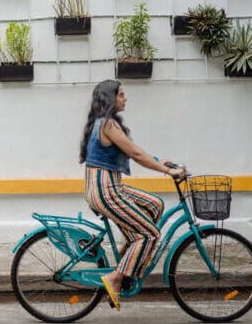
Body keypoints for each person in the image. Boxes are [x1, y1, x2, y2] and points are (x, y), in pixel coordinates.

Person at [79, 80, 184, 311]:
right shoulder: (107, 124)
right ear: (110, 98)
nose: (125, 98)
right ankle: (116, 278)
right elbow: (134, 153)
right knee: (150, 235)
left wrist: (157, 162)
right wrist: (168, 171)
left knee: (155, 204)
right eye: (121, 95)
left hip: (110, 187)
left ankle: (129, 256)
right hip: (106, 191)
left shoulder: (105, 123)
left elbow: (131, 150)